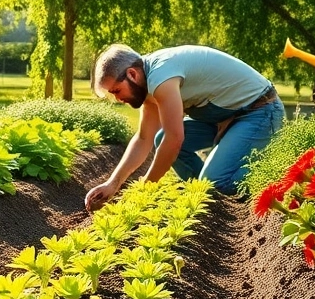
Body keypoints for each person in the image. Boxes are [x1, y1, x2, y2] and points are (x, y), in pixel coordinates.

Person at [85, 43, 284, 210]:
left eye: (117, 91)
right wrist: (113, 183)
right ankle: (209, 201)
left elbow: (174, 140)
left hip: (259, 111)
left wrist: (145, 189)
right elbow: (144, 138)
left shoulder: (161, 76)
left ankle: (279, 174)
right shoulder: (148, 83)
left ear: (132, 74)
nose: (118, 99)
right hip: (227, 116)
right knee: (160, 139)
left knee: (215, 182)